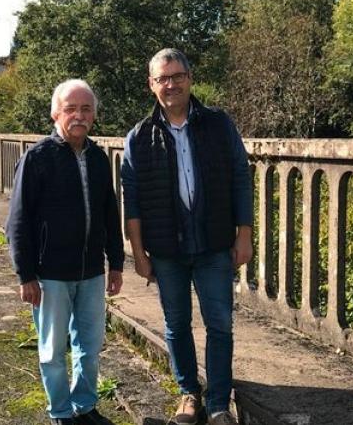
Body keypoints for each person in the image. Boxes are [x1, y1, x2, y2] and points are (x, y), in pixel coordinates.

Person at [121, 48, 253, 425]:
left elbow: (240, 179)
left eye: (177, 76)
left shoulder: (218, 124)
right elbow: (132, 201)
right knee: (176, 323)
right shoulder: (139, 136)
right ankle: (187, 395)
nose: (170, 84)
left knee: (220, 323)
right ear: (151, 85)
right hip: (166, 249)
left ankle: (217, 403)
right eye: (162, 78)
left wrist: (244, 234)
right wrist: (139, 254)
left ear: (189, 79)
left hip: (213, 243)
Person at [6, 79, 124, 425]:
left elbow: (108, 214)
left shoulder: (99, 158)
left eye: (86, 109)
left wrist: (115, 264)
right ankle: (61, 412)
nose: (79, 115)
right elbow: (18, 221)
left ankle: (84, 406)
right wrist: (25, 275)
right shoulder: (37, 158)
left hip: (91, 272)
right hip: (50, 274)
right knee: (53, 350)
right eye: (71, 108)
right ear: (56, 113)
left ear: (94, 116)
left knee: (90, 347)